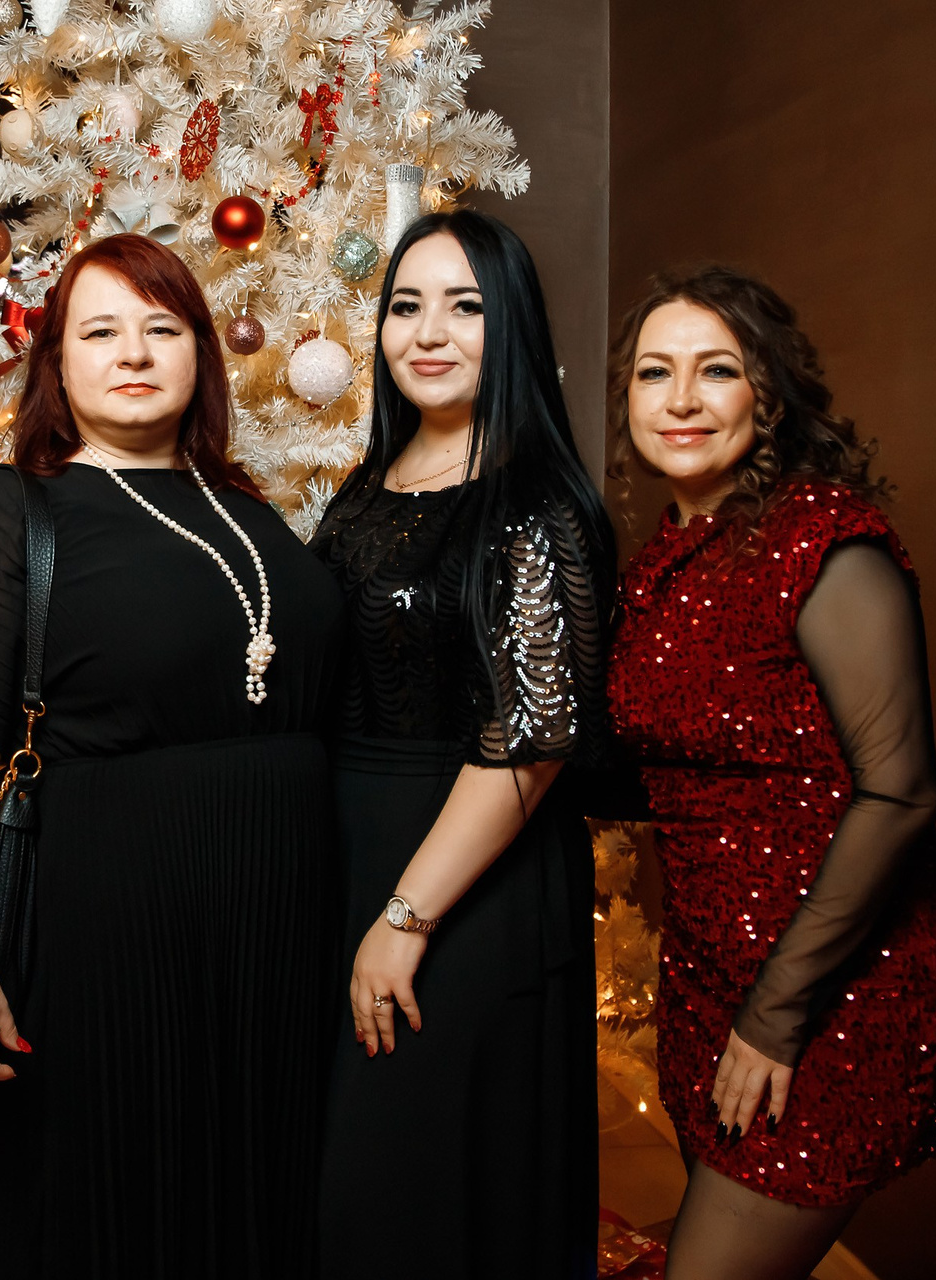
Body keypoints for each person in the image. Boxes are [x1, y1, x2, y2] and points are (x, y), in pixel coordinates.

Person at [0, 233, 345, 1277]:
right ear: (57, 361)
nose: (133, 352)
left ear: (201, 354)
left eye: (161, 328)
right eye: (99, 331)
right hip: (106, 937)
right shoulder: (15, 509)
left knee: (247, 1208)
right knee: (112, 1209)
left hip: (276, 942)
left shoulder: (246, 505)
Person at [604, 266, 936, 1280]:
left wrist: (775, 1013)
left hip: (835, 983)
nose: (681, 399)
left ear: (767, 394)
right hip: (708, 972)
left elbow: (902, 789)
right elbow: (669, 764)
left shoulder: (823, 541)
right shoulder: (666, 559)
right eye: (654, 372)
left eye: (716, 370)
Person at [311, 209, 614, 1278]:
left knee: (417, 1194)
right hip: (355, 861)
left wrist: (407, 918)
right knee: (351, 1194)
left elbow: (532, 738)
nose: (428, 332)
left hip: (463, 887)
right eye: (406, 306)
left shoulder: (534, 502)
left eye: (466, 306)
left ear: (512, 324)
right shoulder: (370, 483)